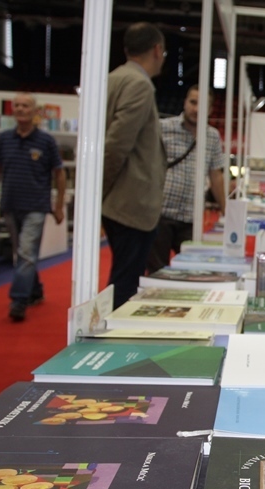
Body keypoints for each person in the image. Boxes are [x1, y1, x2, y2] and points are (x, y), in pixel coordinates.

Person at [0, 92, 66, 322]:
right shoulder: (4, 139)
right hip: (10, 205)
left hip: (36, 206)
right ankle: (35, 290)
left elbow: (59, 174)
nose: (20, 109)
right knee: (22, 253)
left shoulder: (46, 141)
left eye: (26, 105)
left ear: (35, 112)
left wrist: (59, 205)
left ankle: (19, 300)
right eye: (17, 105)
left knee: (27, 252)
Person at [103, 22, 168, 309]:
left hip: (119, 201)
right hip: (131, 202)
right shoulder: (139, 85)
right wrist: (101, 191)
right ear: (157, 50)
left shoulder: (112, 79)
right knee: (125, 283)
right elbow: (117, 144)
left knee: (123, 277)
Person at [147, 85, 226, 273]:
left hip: (192, 217)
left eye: (202, 105)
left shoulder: (212, 137)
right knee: (157, 274)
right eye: (193, 102)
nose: (196, 109)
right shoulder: (164, 128)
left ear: (210, 110)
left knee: (192, 273)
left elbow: (216, 176)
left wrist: (226, 211)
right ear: (185, 103)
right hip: (161, 214)